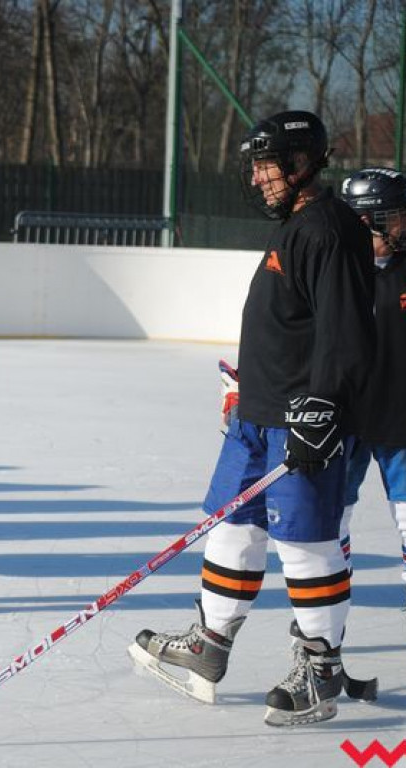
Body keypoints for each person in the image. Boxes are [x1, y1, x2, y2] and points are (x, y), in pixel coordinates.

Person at [127, 110, 375, 726]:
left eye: (268, 166)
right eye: (257, 167)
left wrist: (324, 405)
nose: (259, 177)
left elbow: (347, 330)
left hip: (300, 419)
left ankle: (321, 671)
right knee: (230, 528)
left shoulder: (328, 227)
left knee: (306, 545)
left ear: (300, 164)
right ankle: (211, 646)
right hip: (255, 419)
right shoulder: (295, 222)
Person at [338, 167, 406, 601]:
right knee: (327, 523)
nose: (405, 223)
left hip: (400, 420)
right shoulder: (334, 270)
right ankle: (323, 615)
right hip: (342, 421)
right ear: (369, 220)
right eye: (397, 215)